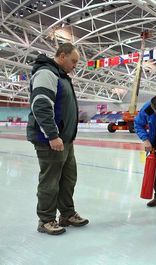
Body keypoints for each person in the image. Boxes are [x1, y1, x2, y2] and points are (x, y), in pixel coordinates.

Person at [27, 43, 89, 235]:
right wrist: (52, 135)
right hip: (50, 141)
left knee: (68, 179)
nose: (75, 66)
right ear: (62, 56)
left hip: (65, 141)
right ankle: (45, 220)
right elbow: (41, 106)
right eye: (73, 61)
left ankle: (67, 214)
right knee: (50, 181)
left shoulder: (61, 76)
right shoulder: (47, 73)